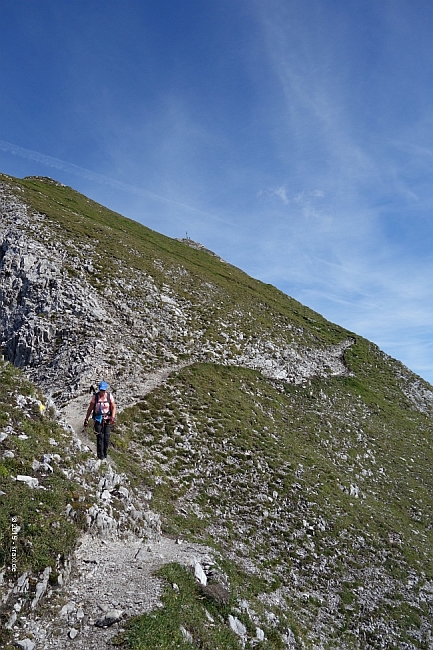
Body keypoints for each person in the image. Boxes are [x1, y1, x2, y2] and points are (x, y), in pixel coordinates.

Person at [84, 381, 116, 460]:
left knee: (106, 438)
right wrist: (86, 418)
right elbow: (90, 408)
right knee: (100, 437)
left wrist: (112, 417)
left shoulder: (109, 396)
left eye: (103, 390)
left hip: (107, 420)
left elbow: (113, 407)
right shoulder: (95, 397)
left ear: (105, 390)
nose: (102, 392)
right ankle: (100, 456)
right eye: (101, 390)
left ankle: (104, 454)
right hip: (98, 420)